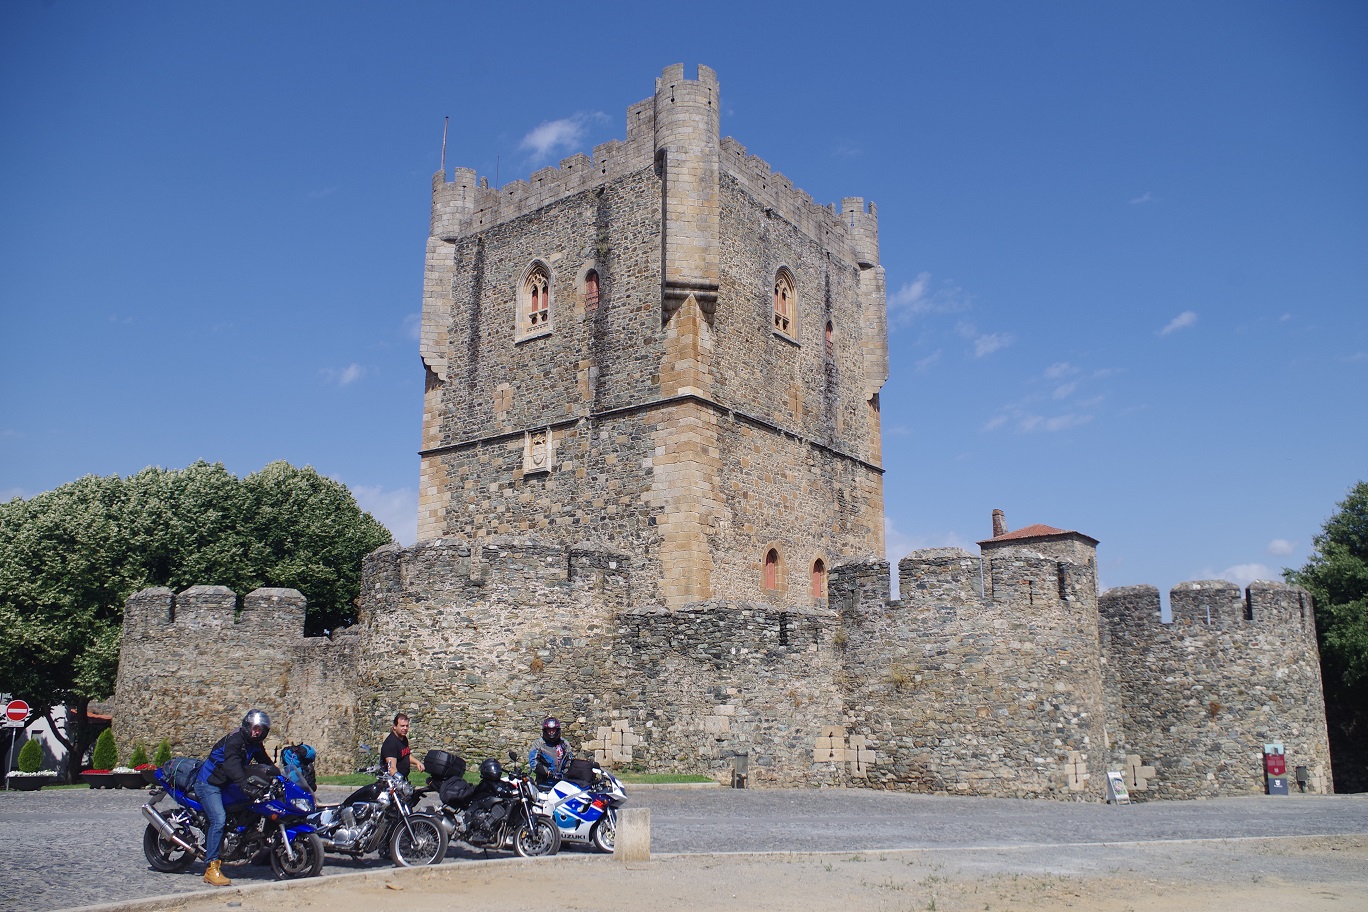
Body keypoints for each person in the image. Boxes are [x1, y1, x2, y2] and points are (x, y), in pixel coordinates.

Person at [196, 709, 273, 887]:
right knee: (218, 819)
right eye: (255, 728)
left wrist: (281, 776)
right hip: (209, 783)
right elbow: (231, 764)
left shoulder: (254, 743)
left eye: (260, 730)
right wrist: (244, 784)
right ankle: (211, 869)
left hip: (226, 784)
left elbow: (265, 762)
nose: (257, 732)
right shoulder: (236, 739)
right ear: (247, 726)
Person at [528, 716, 573, 784]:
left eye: (553, 730)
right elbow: (533, 762)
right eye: (549, 730)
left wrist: (565, 773)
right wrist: (547, 772)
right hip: (544, 781)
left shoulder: (564, 743)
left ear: (557, 730)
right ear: (545, 731)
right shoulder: (538, 743)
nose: (551, 732)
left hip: (562, 781)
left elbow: (570, 760)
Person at [380, 712, 425, 779]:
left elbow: (405, 755)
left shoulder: (403, 739)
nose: (405, 728)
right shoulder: (391, 743)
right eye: (402, 726)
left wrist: (417, 762)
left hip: (402, 779)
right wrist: (400, 782)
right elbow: (392, 768)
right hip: (392, 782)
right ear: (394, 726)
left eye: (407, 726)